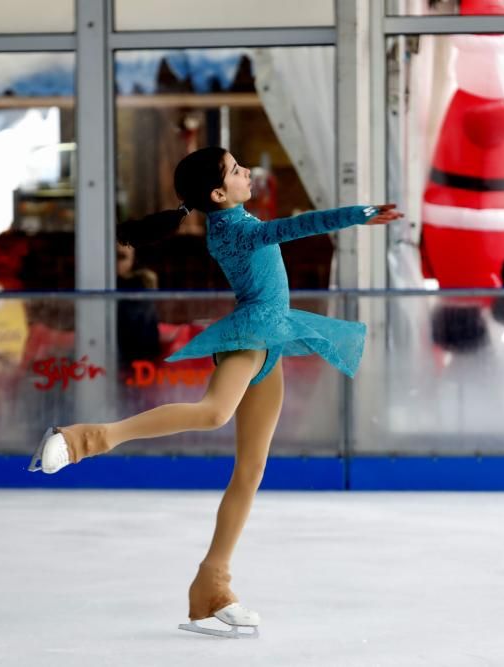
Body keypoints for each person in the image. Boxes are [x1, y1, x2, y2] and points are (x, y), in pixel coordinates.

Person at [27, 146, 402, 638]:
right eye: (236, 170)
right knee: (212, 413)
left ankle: (213, 588)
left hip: (271, 343)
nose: (248, 171)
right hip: (251, 336)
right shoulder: (236, 229)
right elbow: (294, 227)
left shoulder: (232, 220)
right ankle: (85, 439)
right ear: (219, 193)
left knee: (251, 470)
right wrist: (358, 214)